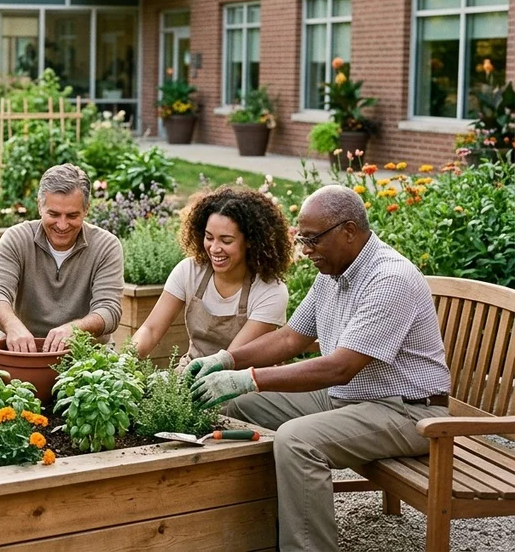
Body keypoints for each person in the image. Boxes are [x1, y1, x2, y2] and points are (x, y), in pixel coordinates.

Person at [188, 185, 450, 552]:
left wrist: (248, 378)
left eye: (312, 240)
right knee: (233, 404)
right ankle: (252, 527)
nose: (305, 250)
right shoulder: (332, 273)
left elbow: (340, 368)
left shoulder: (389, 279)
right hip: (351, 399)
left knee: (297, 440)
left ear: (348, 231)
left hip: (410, 412)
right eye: (302, 239)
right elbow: (290, 339)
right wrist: (226, 361)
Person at [131, 185, 291, 365]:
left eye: (226, 240)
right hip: (191, 372)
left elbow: (230, 360)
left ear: (250, 242)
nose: (214, 248)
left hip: (245, 381)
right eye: (209, 237)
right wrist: (125, 361)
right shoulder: (190, 271)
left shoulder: (270, 291)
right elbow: (151, 330)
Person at [0, 163, 124, 353]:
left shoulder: (106, 245)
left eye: (72, 215)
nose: (62, 225)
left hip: (89, 356)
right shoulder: (17, 238)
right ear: (40, 206)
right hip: (27, 350)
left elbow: (109, 310)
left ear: (87, 209)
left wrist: (75, 330)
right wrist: (12, 325)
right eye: (54, 214)